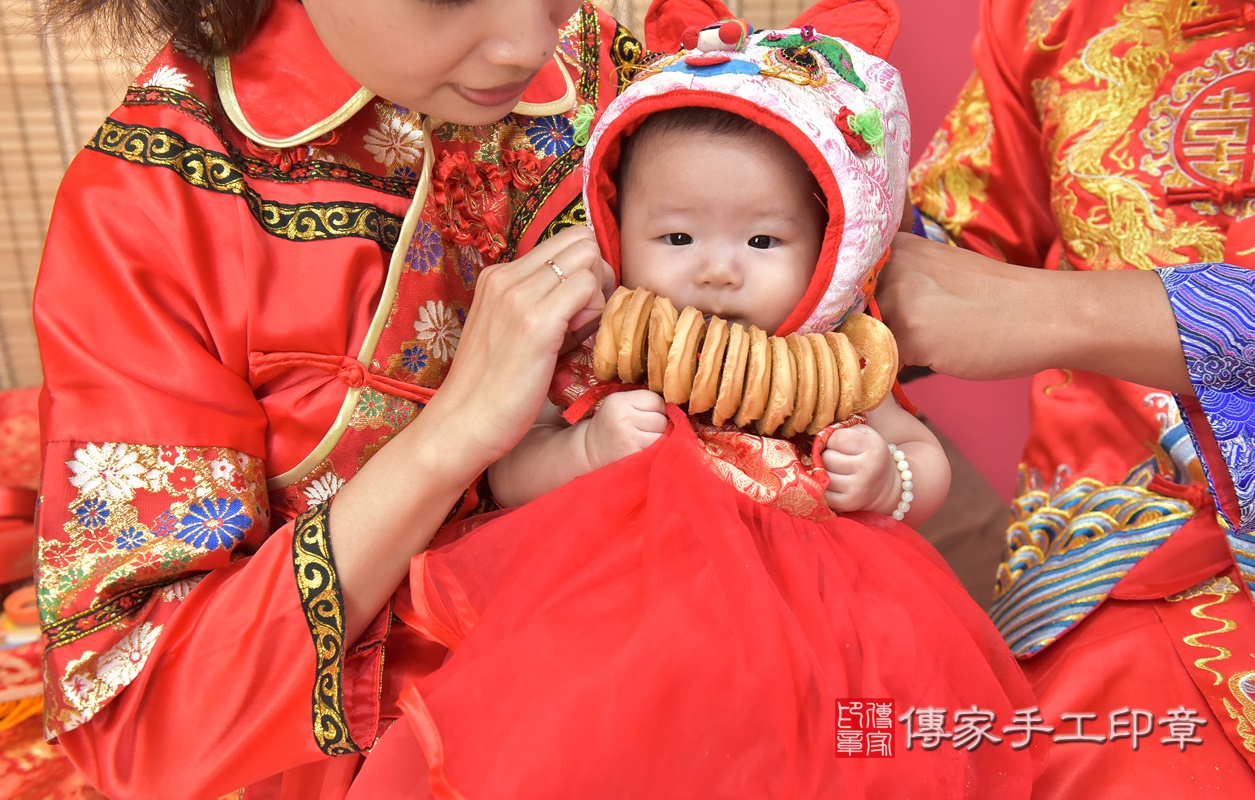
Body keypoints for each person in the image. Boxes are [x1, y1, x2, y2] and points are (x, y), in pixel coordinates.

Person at [346, 7, 1038, 798]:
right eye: (675, 239)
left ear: (830, 246)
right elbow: (510, 467)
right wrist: (584, 450)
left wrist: (887, 481)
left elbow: (920, 459)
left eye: (762, 242)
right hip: (622, 630)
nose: (716, 272)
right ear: (616, 229)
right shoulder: (601, 347)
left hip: (820, 636)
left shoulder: (830, 364)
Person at [31, 0, 645, 797]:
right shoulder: (155, 203)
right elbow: (140, 719)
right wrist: (448, 436)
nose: (528, 42)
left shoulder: (613, 77)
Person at [877, 0, 1255, 792]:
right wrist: (777, 176)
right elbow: (953, 239)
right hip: (1119, 558)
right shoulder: (1054, 13)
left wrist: (1064, 309)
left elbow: (998, 297)